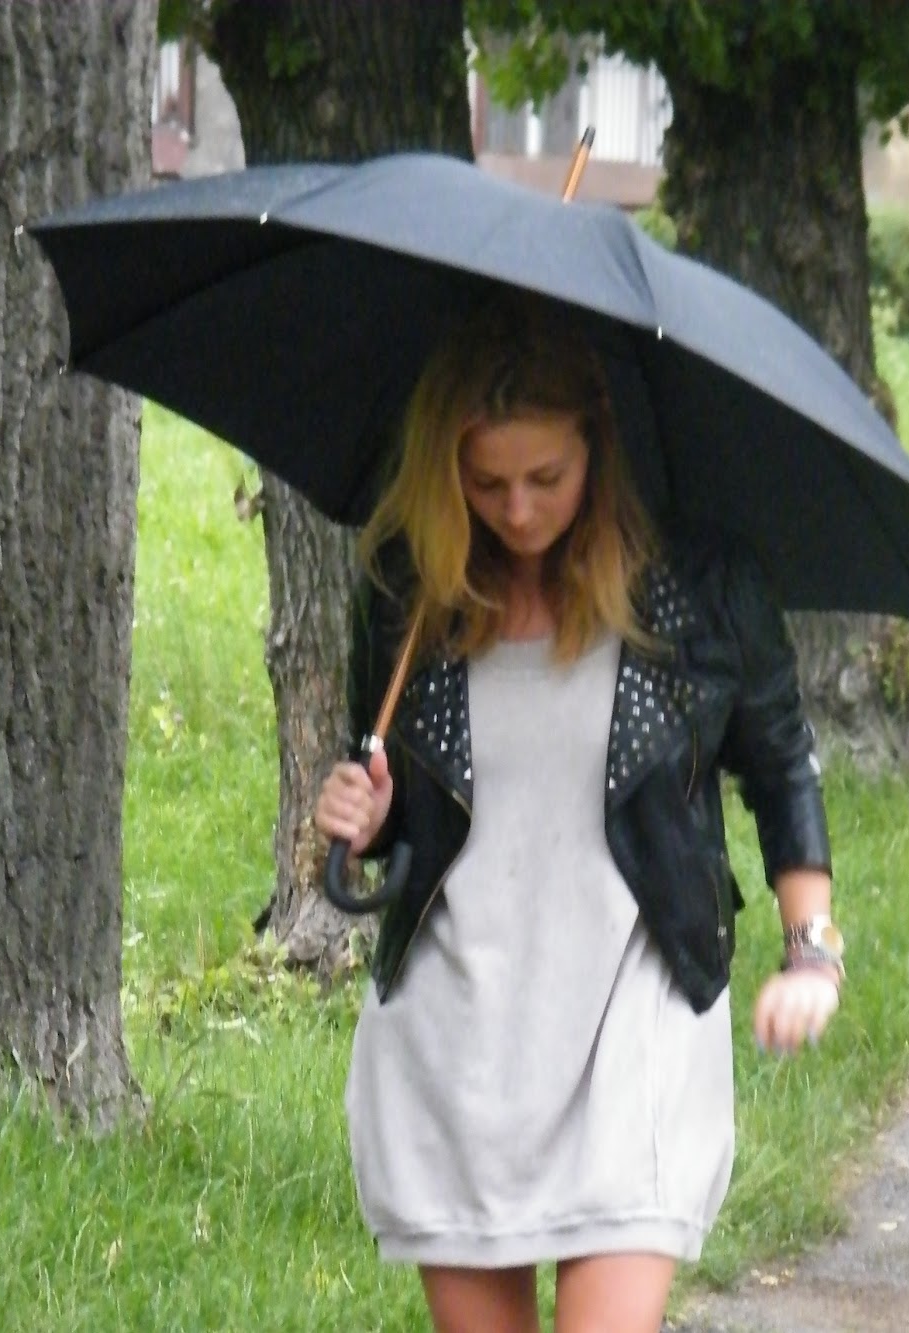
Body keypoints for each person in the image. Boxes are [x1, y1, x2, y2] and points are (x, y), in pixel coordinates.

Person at [314, 296, 843, 1333]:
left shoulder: (701, 587)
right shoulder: (406, 593)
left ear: (596, 443)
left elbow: (781, 767)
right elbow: (399, 793)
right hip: (459, 1025)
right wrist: (365, 812)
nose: (517, 510)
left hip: (634, 1009)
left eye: (545, 478)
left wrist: (810, 951)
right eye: (486, 483)